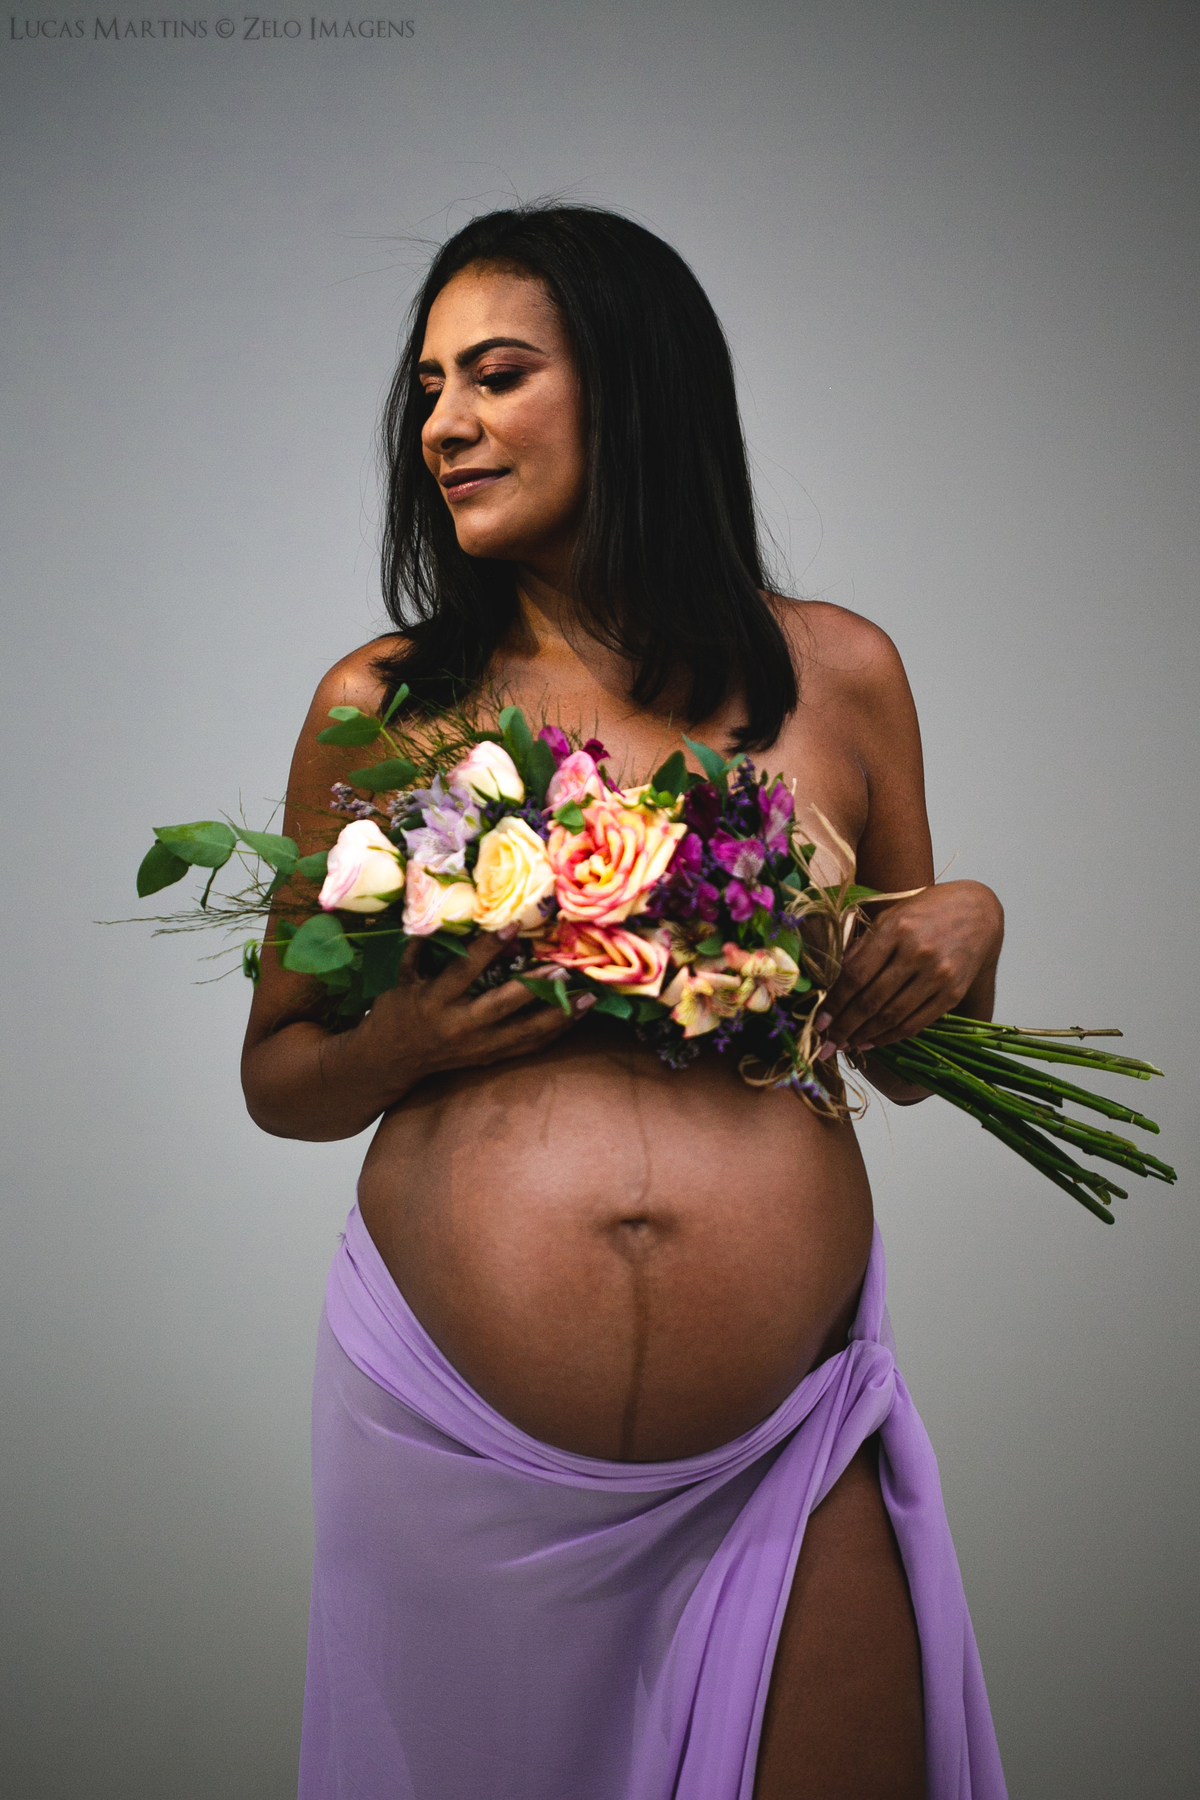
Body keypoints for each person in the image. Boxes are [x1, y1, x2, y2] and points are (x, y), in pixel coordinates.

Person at [241, 204, 1008, 1800]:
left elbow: (923, 1059)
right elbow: (281, 1074)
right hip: (458, 1464)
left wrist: (969, 920)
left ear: (635, 388)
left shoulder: (837, 674)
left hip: (781, 1447)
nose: (444, 422)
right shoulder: (383, 708)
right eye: (432, 385)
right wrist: (413, 1038)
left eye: (498, 374)